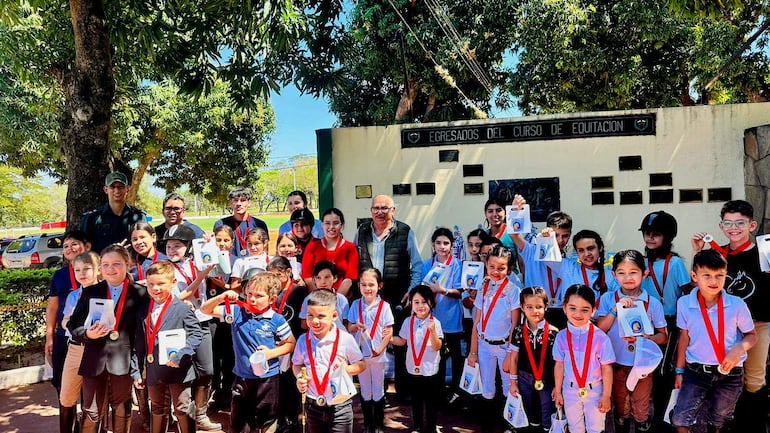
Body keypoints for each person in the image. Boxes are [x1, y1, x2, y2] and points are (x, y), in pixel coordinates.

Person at [691, 199, 770, 431]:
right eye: (728, 223)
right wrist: (697, 253)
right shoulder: (718, 255)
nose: (734, 228)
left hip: (757, 324)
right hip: (723, 327)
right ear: (721, 226)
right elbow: (698, 286)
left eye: (740, 223)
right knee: (725, 377)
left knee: (754, 380)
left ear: (752, 225)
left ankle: (753, 425)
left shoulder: (764, 251)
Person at [672, 249, 757, 433]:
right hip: (695, 372)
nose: (713, 281)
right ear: (694, 276)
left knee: (719, 421)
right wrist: (679, 371)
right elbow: (684, 338)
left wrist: (739, 349)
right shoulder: (685, 303)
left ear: (726, 275)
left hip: (730, 374)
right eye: (707, 275)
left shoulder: (736, 304)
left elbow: (752, 335)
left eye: (719, 275)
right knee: (680, 419)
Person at [67, 244, 150, 433]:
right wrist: (87, 334)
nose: (110, 269)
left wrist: (139, 365)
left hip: (123, 359)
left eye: (116, 264)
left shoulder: (141, 293)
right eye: (105, 265)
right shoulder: (91, 292)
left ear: (127, 264)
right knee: (91, 410)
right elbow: (73, 325)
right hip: (94, 358)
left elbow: (141, 334)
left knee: (121, 407)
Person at [201, 272, 297, 433]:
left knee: (267, 421)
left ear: (272, 299)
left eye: (259, 296)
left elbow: (291, 343)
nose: (252, 299)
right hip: (242, 377)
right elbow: (205, 310)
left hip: (267, 379)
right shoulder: (236, 312)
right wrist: (221, 297)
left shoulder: (276, 319)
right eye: (249, 293)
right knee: (239, 422)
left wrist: (270, 353)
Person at [355, 194, 423, 400]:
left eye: (385, 208)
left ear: (393, 210)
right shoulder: (362, 231)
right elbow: (356, 262)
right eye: (376, 208)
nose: (380, 212)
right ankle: (376, 392)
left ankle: (404, 391)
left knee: (399, 343)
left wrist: (412, 290)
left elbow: (417, 265)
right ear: (371, 211)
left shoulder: (405, 231)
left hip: (397, 298)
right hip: (369, 300)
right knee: (370, 343)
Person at [596, 250, 668, 433]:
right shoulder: (607, 299)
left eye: (633, 272)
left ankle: (642, 424)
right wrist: (615, 309)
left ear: (644, 273)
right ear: (613, 275)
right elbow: (600, 330)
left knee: (641, 405)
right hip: (615, 363)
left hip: (642, 366)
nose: (627, 277)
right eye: (621, 272)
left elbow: (663, 336)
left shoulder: (653, 303)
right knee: (621, 405)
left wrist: (647, 339)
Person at [162, 224, 221, 431]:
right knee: (177, 370)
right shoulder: (165, 269)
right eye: (169, 247)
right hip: (179, 326)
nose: (172, 251)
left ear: (188, 247)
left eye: (177, 246)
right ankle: (178, 413)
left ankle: (200, 414)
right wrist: (201, 276)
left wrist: (211, 245)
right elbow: (180, 295)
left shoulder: (197, 262)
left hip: (202, 320)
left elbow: (220, 268)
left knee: (206, 370)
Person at [133, 261, 203, 433]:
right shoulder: (143, 310)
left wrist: (182, 353)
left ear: (173, 283)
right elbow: (138, 344)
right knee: (157, 409)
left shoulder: (182, 308)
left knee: (182, 408)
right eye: (151, 284)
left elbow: (196, 334)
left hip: (178, 370)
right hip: (154, 370)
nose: (155, 288)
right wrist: (136, 370)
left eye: (161, 284)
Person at [293, 289, 367, 433]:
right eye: (310, 315)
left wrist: (347, 369)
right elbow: (296, 364)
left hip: (340, 405)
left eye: (321, 316)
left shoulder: (345, 339)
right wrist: (299, 377)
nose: (314, 321)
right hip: (313, 403)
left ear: (334, 315)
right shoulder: (303, 340)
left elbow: (362, 364)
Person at [467, 245, 521, 433]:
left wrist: (510, 353)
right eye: (492, 267)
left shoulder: (513, 290)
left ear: (509, 268)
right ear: (486, 265)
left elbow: (516, 324)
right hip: (484, 345)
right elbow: (477, 321)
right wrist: (473, 351)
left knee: (508, 387)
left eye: (501, 268)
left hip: (504, 346)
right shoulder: (483, 286)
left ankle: (509, 425)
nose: (496, 272)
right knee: (487, 386)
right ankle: (488, 424)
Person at [552, 284, 615, 433]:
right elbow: (559, 365)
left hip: (595, 391)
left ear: (593, 310)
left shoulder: (600, 338)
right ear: (564, 307)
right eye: (572, 308)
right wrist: (559, 391)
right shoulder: (561, 337)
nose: (578, 314)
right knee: (575, 428)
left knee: (595, 428)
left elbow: (607, 368)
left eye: (585, 309)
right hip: (570, 389)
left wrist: (606, 396)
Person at [509, 194, 573, 328]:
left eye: (565, 236)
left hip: (562, 311)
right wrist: (515, 210)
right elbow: (514, 234)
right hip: (536, 310)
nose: (560, 240)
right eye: (555, 235)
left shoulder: (571, 260)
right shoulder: (531, 251)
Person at [504, 286, 559, 431]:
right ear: (522, 307)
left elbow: (558, 363)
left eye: (539, 307)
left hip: (547, 379)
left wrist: (557, 386)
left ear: (546, 307)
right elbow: (514, 358)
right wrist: (513, 383)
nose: (535, 311)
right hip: (524, 378)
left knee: (548, 410)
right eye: (529, 307)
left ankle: (547, 428)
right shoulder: (518, 332)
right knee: (528, 410)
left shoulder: (554, 333)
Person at [347, 268, 394, 433]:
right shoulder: (355, 305)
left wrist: (380, 350)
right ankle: (368, 424)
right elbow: (349, 327)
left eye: (371, 285)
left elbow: (389, 332)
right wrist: (355, 326)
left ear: (379, 285)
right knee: (365, 389)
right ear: (359, 286)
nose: (367, 288)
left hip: (378, 355)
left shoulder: (385, 306)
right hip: (361, 356)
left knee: (378, 389)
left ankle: (379, 424)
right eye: (364, 285)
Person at [58, 251, 101, 433]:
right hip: (76, 349)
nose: (82, 273)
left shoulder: (107, 293)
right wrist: (80, 330)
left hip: (98, 351)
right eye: (77, 270)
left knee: (95, 401)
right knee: (66, 396)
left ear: (98, 270)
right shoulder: (73, 296)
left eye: (87, 269)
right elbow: (65, 321)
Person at [391, 285, 443, 433]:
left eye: (424, 302)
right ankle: (418, 426)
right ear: (411, 304)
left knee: (431, 401)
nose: (420, 306)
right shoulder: (408, 321)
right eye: (416, 302)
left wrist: (432, 331)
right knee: (416, 400)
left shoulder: (435, 323)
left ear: (431, 303)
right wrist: (388, 338)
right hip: (413, 368)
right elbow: (402, 340)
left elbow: (437, 346)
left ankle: (431, 426)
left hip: (430, 370)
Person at [420, 227, 463, 406]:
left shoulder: (457, 264)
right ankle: (436, 392)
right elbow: (422, 291)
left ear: (451, 246)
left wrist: (442, 290)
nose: (442, 247)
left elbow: (460, 291)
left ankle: (456, 392)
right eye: (438, 243)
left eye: (446, 243)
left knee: (455, 356)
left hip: (452, 319)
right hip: (433, 319)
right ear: (433, 244)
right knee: (435, 355)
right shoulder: (426, 265)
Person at [46, 230, 92, 397]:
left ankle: (90, 422)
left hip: (90, 336)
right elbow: (52, 308)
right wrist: (49, 336)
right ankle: (69, 421)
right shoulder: (59, 276)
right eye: (66, 246)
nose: (70, 249)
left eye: (74, 244)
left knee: (90, 385)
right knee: (62, 385)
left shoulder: (98, 271)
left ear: (87, 246)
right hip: (64, 335)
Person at [266, 256, 309, 432]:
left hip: (294, 344)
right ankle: (280, 417)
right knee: (278, 382)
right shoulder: (271, 292)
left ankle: (293, 419)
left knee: (292, 382)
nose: (274, 279)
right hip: (275, 344)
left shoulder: (298, 292)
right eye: (271, 275)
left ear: (288, 272)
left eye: (277, 274)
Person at [547, 230, 619, 310]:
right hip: (570, 321)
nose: (586, 254)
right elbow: (545, 256)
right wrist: (546, 238)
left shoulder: (611, 276)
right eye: (581, 250)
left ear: (600, 248)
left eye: (590, 248)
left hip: (602, 321)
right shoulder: (568, 268)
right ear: (577, 252)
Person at [81, 172, 147, 253]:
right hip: (102, 264)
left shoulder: (139, 217)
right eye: (112, 187)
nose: (117, 190)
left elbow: (146, 243)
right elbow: (84, 249)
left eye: (121, 187)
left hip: (132, 264)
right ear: (106, 189)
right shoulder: (92, 218)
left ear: (128, 189)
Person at [302, 208, 359, 297]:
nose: (331, 227)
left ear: (342, 225)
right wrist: (320, 298)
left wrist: (336, 299)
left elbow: (349, 278)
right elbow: (307, 276)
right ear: (322, 225)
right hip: (317, 298)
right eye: (327, 223)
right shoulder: (312, 247)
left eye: (336, 223)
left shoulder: (350, 248)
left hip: (342, 298)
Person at [214, 186, 269, 257]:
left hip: (253, 265)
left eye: (243, 200)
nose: (239, 204)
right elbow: (215, 249)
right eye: (235, 200)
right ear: (230, 203)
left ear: (249, 203)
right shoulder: (221, 224)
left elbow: (265, 251)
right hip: (230, 265)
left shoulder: (259, 224)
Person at [300, 261, 350, 331]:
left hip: (338, 337)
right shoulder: (308, 299)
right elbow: (303, 324)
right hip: (317, 336)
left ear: (335, 278)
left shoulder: (341, 299)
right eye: (318, 278)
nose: (323, 282)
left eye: (327, 277)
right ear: (314, 279)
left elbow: (346, 323)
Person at [482, 198, 522, 277]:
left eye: (498, 210)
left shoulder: (513, 234)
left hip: (510, 279)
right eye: (490, 211)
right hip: (489, 279)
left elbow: (522, 263)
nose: (495, 214)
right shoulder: (484, 235)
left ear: (505, 212)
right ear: (485, 214)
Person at [230, 228, 271, 292]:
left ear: (265, 243)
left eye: (256, 244)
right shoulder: (240, 262)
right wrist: (247, 285)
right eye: (249, 244)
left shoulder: (271, 260)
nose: (252, 247)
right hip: (246, 299)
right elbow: (233, 286)